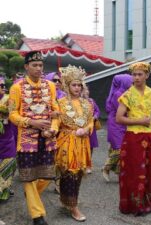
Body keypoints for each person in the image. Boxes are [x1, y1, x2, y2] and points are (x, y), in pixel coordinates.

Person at [9, 51, 59, 225]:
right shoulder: (16, 88)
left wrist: (53, 128)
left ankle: (31, 194)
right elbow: (12, 114)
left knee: (46, 176)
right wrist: (31, 122)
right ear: (26, 67)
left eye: (40, 65)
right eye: (34, 65)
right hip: (27, 139)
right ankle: (37, 215)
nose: (38, 68)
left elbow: (56, 112)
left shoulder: (51, 86)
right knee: (29, 177)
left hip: (48, 138)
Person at [116, 62, 151, 216]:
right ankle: (136, 205)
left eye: (140, 74)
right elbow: (119, 118)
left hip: (150, 136)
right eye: (134, 74)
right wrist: (140, 121)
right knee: (135, 170)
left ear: (147, 76)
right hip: (133, 137)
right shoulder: (127, 95)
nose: (136, 77)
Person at [55, 65, 93, 222]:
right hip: (67, 142)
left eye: (79, 85)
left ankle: (67, 201)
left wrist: (86, 129)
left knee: (77, 175)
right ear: (67, 85)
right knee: (69, 173)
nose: (77, 88)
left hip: (82, 142)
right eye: (74, 85)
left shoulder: (86, 103)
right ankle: (73, 207)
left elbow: (91, 122)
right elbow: (56, 122)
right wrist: (52, 130)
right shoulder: (61, 103)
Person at [102, 74, 132, 182]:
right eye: (130, 81)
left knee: (122, 148)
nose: (132, 83)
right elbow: (124, 110)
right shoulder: (118, 94)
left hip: (123, 123)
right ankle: (106, 167)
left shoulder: (127, 93)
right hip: (116, 124)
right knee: (119, 148)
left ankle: (120, 173)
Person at [0, 76, 17, 201]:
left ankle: (4, 191)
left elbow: (15, 115)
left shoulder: (8, 100)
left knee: (9, 165)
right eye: (0, 86)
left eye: (3, 85)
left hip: (8, 140)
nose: (3, 88)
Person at [82, 86, 100, 174]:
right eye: (84, 90)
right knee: (81, 145)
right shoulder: (76, 101)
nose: (86, 92)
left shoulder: (91, 101)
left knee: (91, 146)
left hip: (91, 128)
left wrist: (95, 116)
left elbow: (97, 110)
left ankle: (88, 164)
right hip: (81, 127)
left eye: (87, 90)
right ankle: (81, 164)